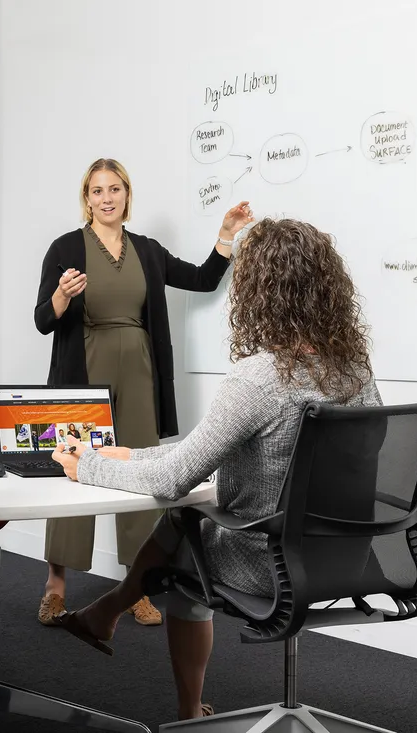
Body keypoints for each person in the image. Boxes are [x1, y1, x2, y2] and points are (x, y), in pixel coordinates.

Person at [49, 217, 383, 721]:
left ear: (258, 290)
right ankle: (107, 614)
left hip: (271, 563)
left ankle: (184, 708)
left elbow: (172, 480)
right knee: (192, 517)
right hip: (345, 557)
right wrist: (132, 455)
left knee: (186, 530)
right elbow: (206, 452)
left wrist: (88, 467)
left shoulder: (259, 377)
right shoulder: (355, 371)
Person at [33, 157, 252, 628]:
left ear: (128, 196)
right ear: (86, 198)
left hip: (138, 369)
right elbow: (42, 320)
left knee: (137, 470)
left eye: (115, 189)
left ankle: (137, 586)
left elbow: (201, 278)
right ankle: (55, 585)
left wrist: (226, 234)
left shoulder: (148, 250)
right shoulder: (65, 248)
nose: (107, 198)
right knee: (75, 468)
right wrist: (62, 296)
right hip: (82, 369)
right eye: (97, 191)